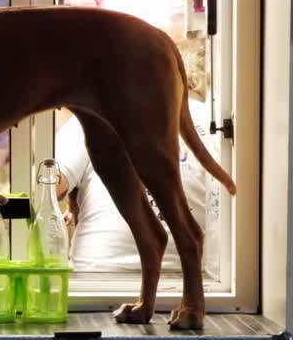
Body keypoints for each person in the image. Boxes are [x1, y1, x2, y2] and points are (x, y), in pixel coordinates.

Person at [54, 36, 219, 277]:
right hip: (188, 280)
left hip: (97, 272)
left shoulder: (99, 113)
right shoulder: (219, 129)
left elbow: (50, 184)